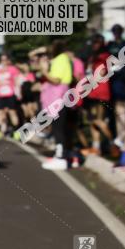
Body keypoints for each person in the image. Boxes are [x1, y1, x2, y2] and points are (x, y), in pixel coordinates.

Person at [39, 40, 74, 170]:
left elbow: (56, 80)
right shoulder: (62, 59)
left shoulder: (61, 59)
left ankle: (61, 158)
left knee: (58, 128)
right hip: (59, 97)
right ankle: (61, 155)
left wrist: (44, 71)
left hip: (58, 97)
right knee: (58, 127)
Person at [82, 34, 116, 157]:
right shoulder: (92, 57)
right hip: (91, 92)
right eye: (94, 42)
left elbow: (101, 73)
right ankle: (96, 148)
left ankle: (114, 144)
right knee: (92, 121)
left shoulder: (105, 57)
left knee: (98, 120)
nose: (95, 45)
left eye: (97, 42)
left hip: (100, 92)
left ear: (101, 43)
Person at [0, 54, 21, 140]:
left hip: (10, 94)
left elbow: (16, 82)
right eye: (1, 60)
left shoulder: (13, 69)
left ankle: (16, 132)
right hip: (0, 95)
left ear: (8, 61)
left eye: (5, 60)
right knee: (0, 114)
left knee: (12, 113)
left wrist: (18, 93)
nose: (3, 62)